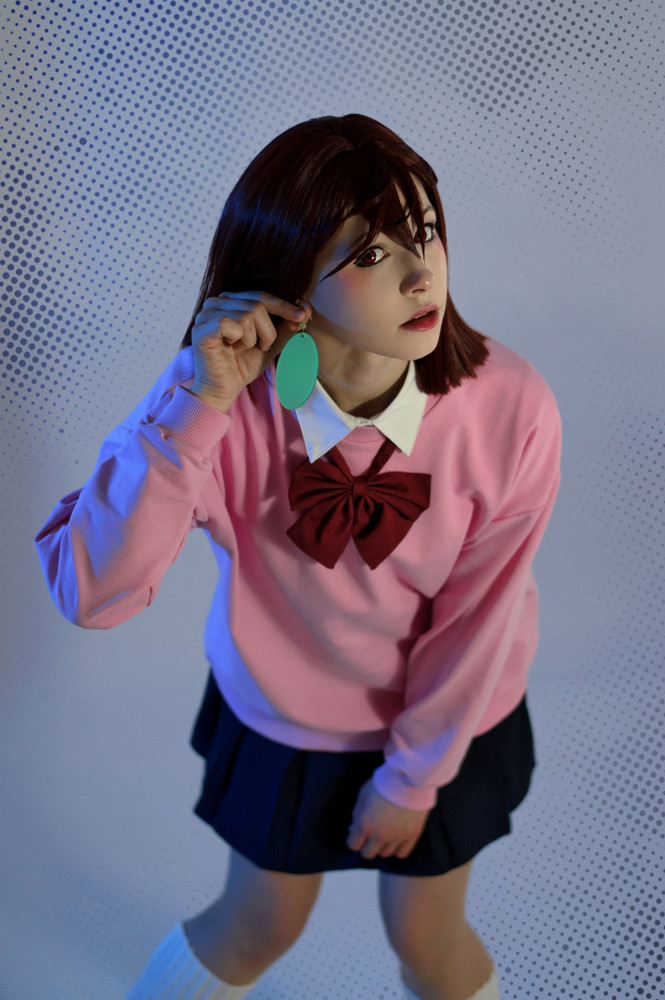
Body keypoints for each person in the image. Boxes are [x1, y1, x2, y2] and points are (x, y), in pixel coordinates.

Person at [35, 114, 561, 1000]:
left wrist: (413, 778)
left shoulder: (510, 407)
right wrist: (192, 402)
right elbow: (93, 592)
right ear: (288, 282)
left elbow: (483, 615)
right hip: (286, 714)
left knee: (427, 937)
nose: (420, 272)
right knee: (256, 924)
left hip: (448, 719)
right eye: (370, 254)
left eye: (425, 232)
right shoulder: (220, 409)